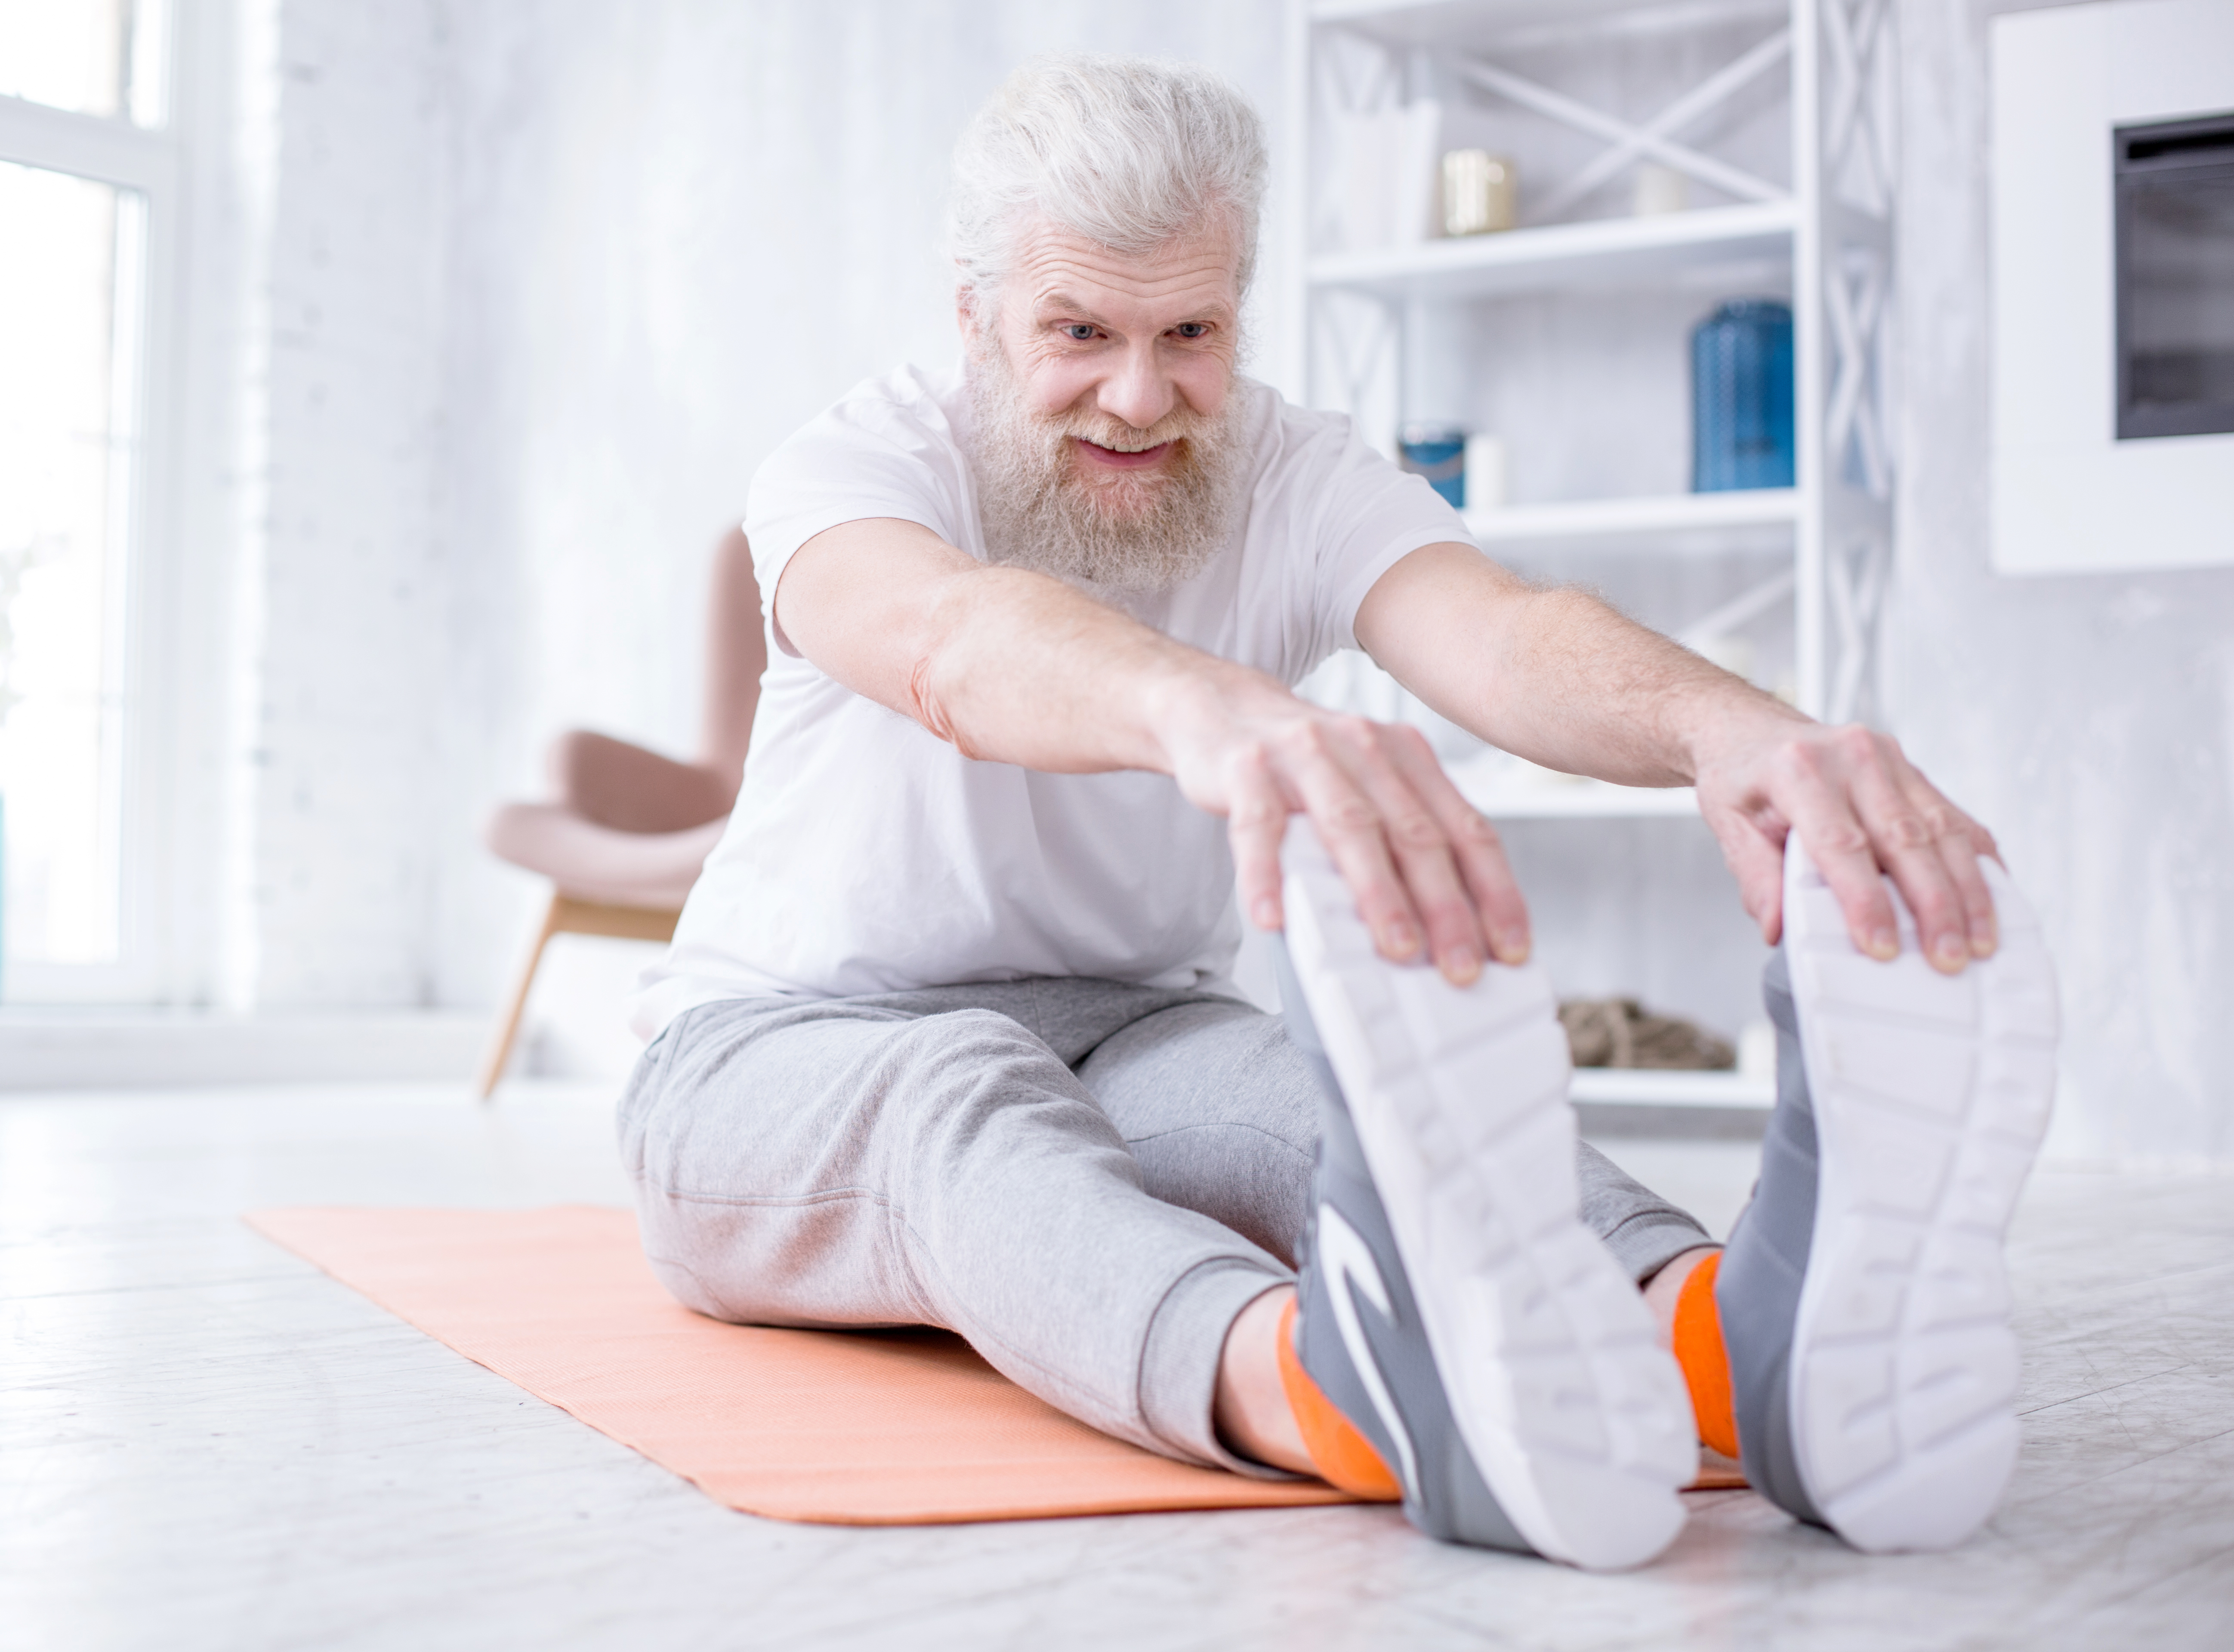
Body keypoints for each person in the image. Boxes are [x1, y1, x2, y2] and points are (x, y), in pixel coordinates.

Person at [619, 56, 2058, 1570]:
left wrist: (1733, 730)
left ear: (1239, 310)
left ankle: (1726, 1345)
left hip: (1137, 1027)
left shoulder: (1289, 471)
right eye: (1079, 332)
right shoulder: (852, 468)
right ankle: (1344, 1395)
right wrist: (1208, 711)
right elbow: (950, 644)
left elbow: (1501, 634)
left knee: (1318, 1101)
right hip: (778, 1051)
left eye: (1190, 333)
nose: (1140, 395)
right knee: (958, 1093)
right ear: (975, 320)